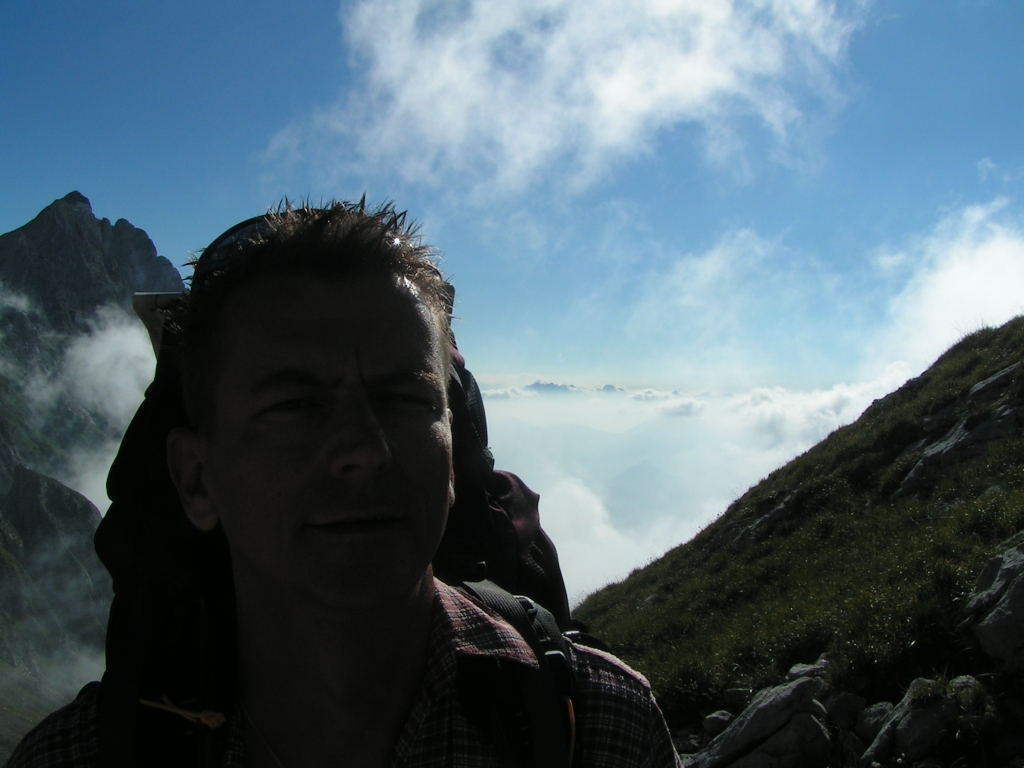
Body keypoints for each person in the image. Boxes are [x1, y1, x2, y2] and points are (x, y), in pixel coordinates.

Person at [7, 201, 682, 768]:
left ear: (451, 456)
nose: (364, 449)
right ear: (196, 478)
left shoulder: (605, 729)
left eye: (403, 399)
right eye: (295, 405)